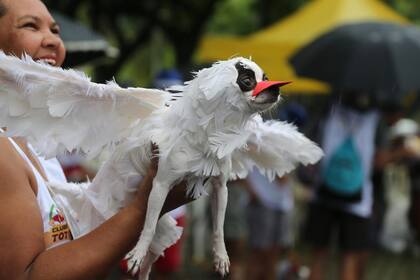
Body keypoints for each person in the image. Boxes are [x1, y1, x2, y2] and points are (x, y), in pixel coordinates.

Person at [0, 0, 189, 278]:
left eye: (55, 30)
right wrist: (143, 206)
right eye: (30, 25)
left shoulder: (36, 143)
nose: (53, 41)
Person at [303, 91, 379, 280]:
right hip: (359, 199)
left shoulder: (329, 106)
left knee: (318, 255)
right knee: (349, 257)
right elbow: (379, 159)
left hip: (323, 190)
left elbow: (309, 142)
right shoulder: (375, 116)